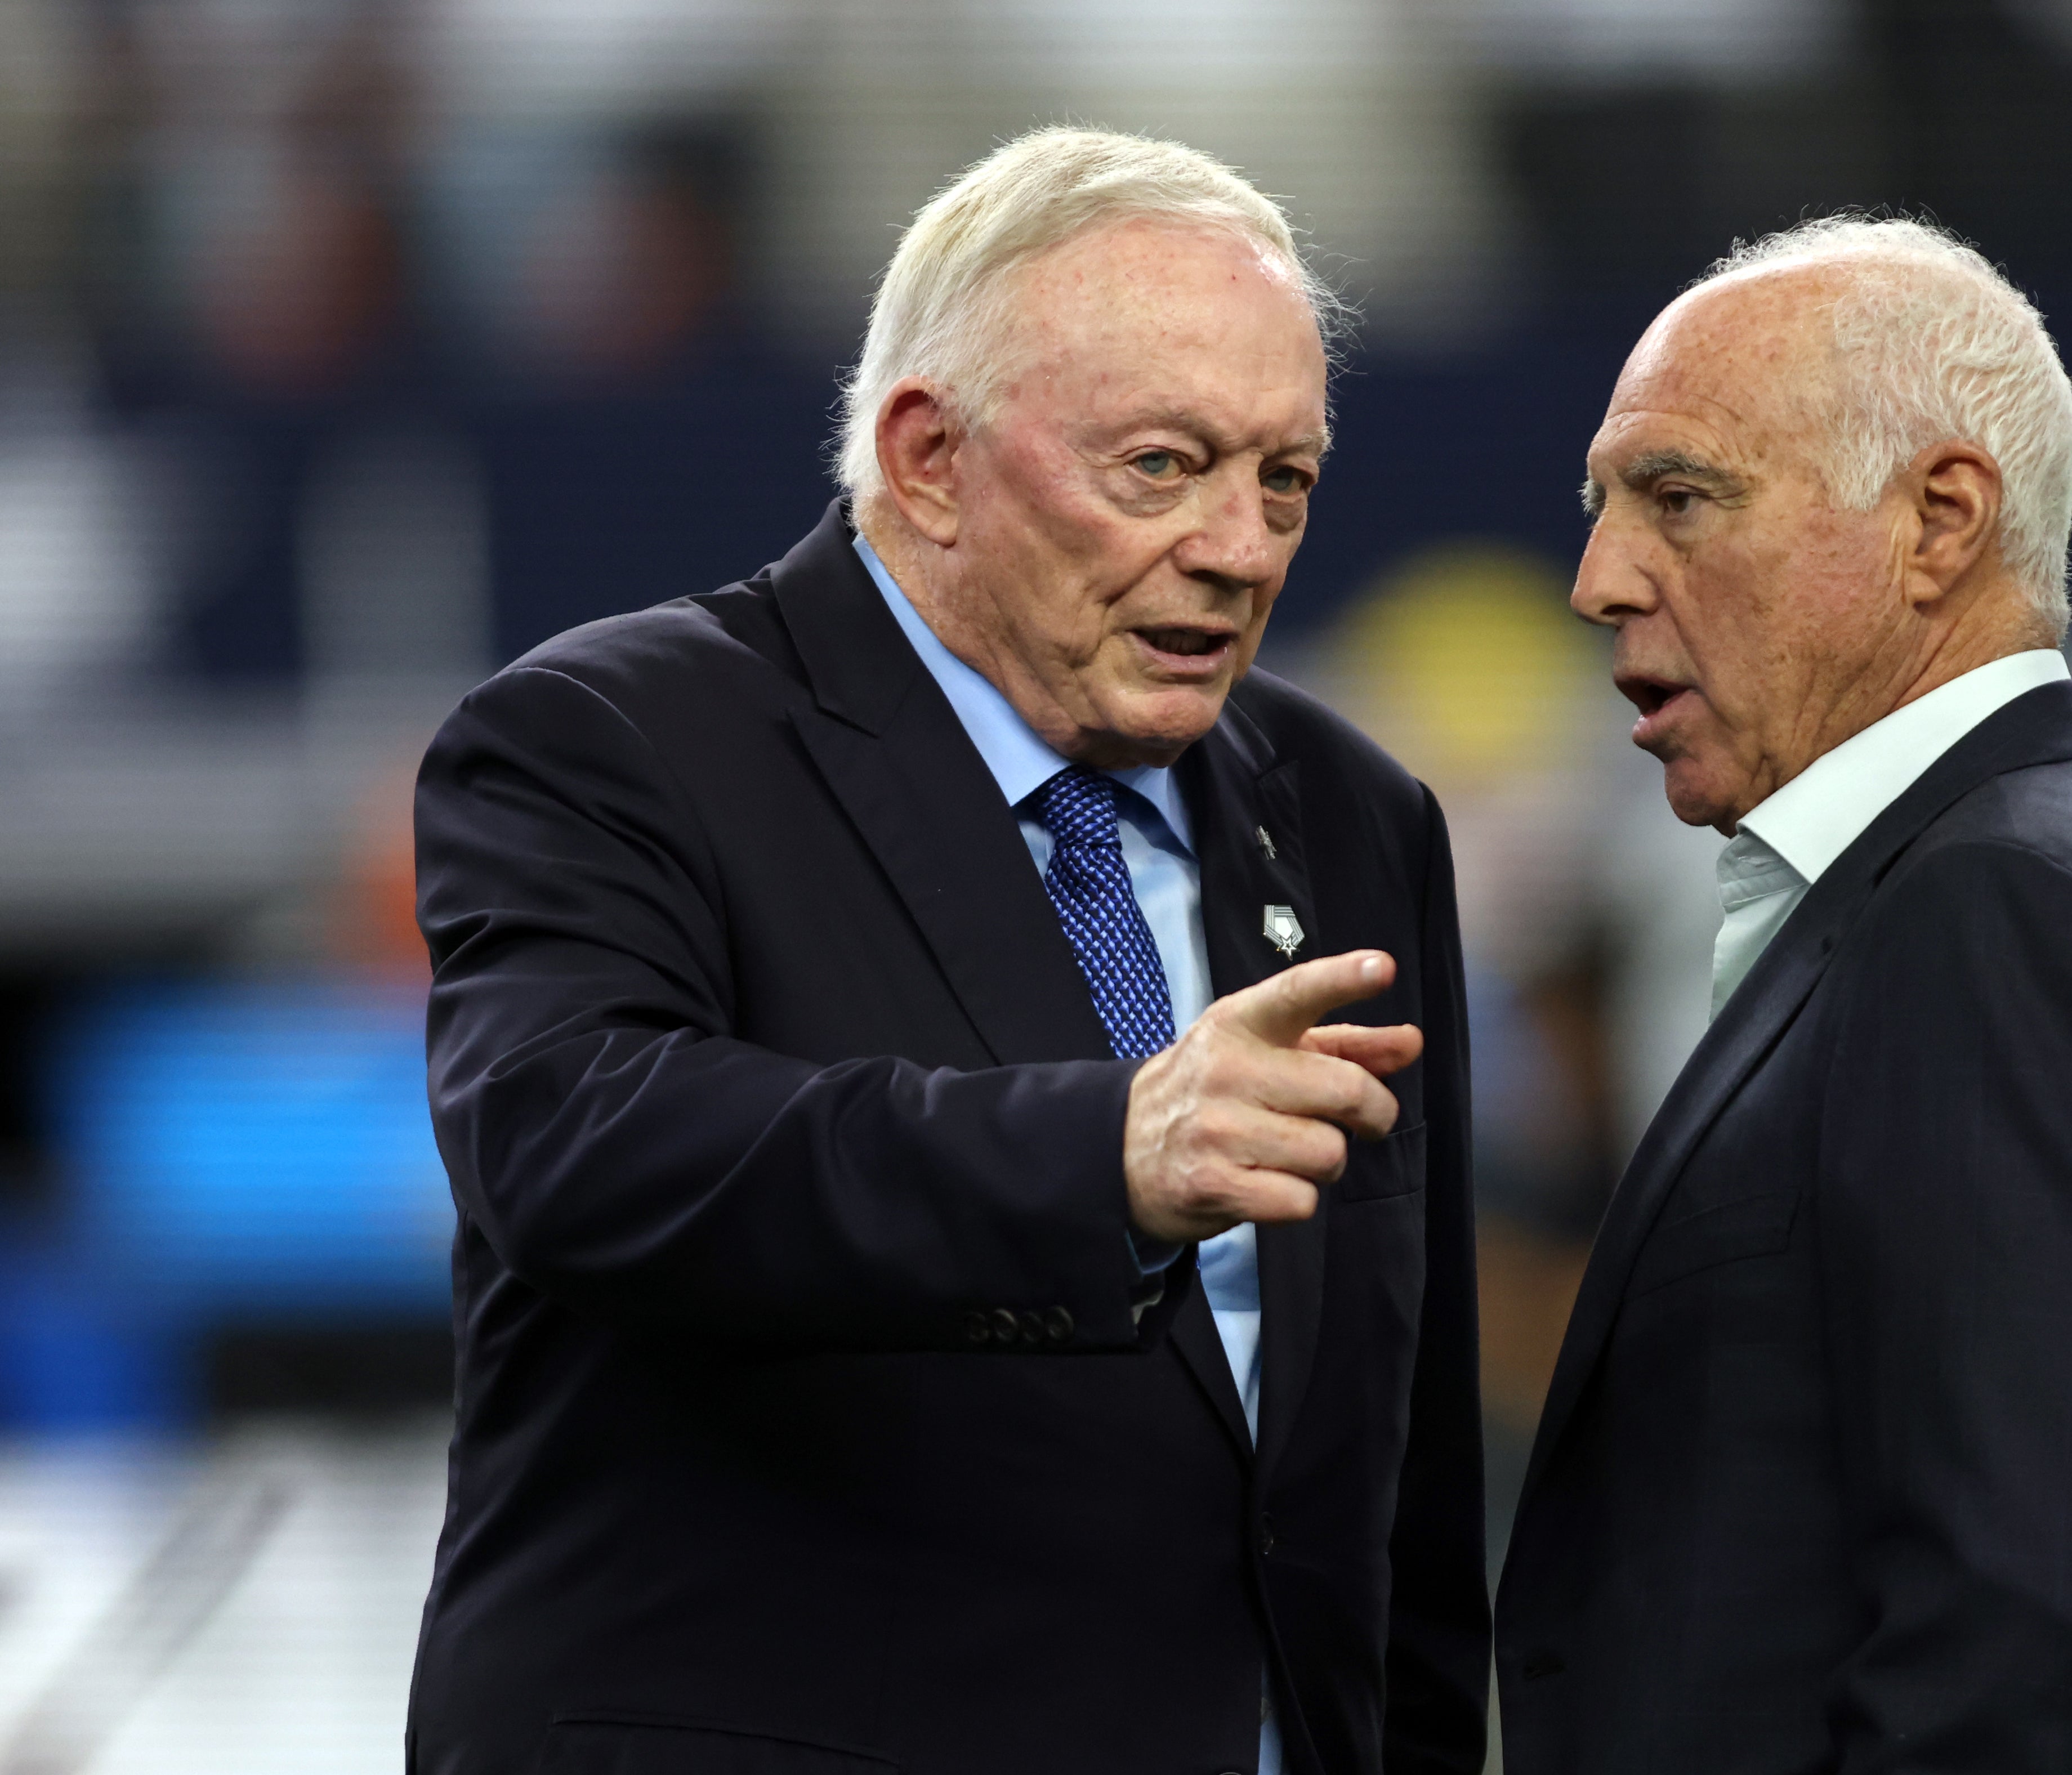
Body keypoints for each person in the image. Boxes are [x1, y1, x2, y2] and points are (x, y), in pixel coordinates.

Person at [408, 128, 1488, 1775]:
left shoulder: (1351, 813)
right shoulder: (611, 737)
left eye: (1285, 478)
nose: (1243, 545)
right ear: (928, 459)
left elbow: (1403, 1464)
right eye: (1163, 466)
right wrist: (1105, 1151)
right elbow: (575, 1144)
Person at [1493, 217, 2072, 1773]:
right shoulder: (2047, 868)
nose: (1600, 580)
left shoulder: (1998, 909)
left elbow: (2016, 1633)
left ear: (1940, 522)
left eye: (1681, 498)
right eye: (1603, 508)